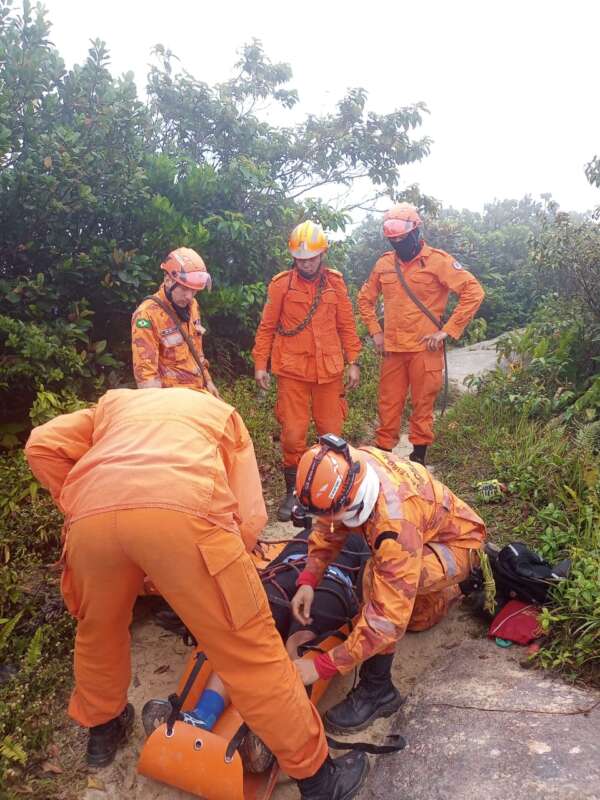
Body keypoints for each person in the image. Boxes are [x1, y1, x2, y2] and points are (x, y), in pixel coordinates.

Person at [24, 389, 368, 799]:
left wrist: (79, 501)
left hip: (91, 522)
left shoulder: (113, 405)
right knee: (253, 654)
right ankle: (319, 780)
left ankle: (103, 730)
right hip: (184, 516)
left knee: (98, 631)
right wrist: (218, 577)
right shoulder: (221, 414)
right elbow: (249, 517)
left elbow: (41, 445)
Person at [290, 434, 486, 734]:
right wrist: (309, 578)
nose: (326, 521)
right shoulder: (349, 466)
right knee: (408, 611)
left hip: (457, 545)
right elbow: (329, 527)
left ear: (351, 500)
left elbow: (386, 620)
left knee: (377, 583)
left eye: (331, 514)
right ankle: (451, 590)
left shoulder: (394, 526)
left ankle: (378, 690)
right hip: (429, 533)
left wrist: (320, 667)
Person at [357, 204, 484, 465]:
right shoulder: (384, 264)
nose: (398, 243)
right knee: (388, 405)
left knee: (423, 406)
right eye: (393, 239)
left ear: (415, 232)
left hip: (425, 350)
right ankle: (384, 460)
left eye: (402, 237)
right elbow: (364, 299)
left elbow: (474, 292)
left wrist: (446, 331)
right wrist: (375, 332)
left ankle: (418, 460)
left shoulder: (438, 261)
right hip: (392, 350)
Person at [252, 221, 362, 521]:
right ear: (293, 258)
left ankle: (332, 486)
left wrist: (354, 361)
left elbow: (346, 326)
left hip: (329, 372)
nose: (307, 263)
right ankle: (294, 491)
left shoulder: (336, 284)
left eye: (312, 258)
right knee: (292, 434)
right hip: (292, 372)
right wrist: (261, 364)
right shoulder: (281, 285)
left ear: (322, 255)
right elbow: (267, 328)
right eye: (301, 259)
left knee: (332, 432)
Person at [131, 247, 219, 397]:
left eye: (194, 290)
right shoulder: (146, 315)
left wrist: (208, 381)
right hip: (172, 399)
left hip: (198, 391)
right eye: (185, 289)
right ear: (168, 280)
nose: (190, 296)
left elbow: (197, 352)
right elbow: (146, 376)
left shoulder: (192, 306)